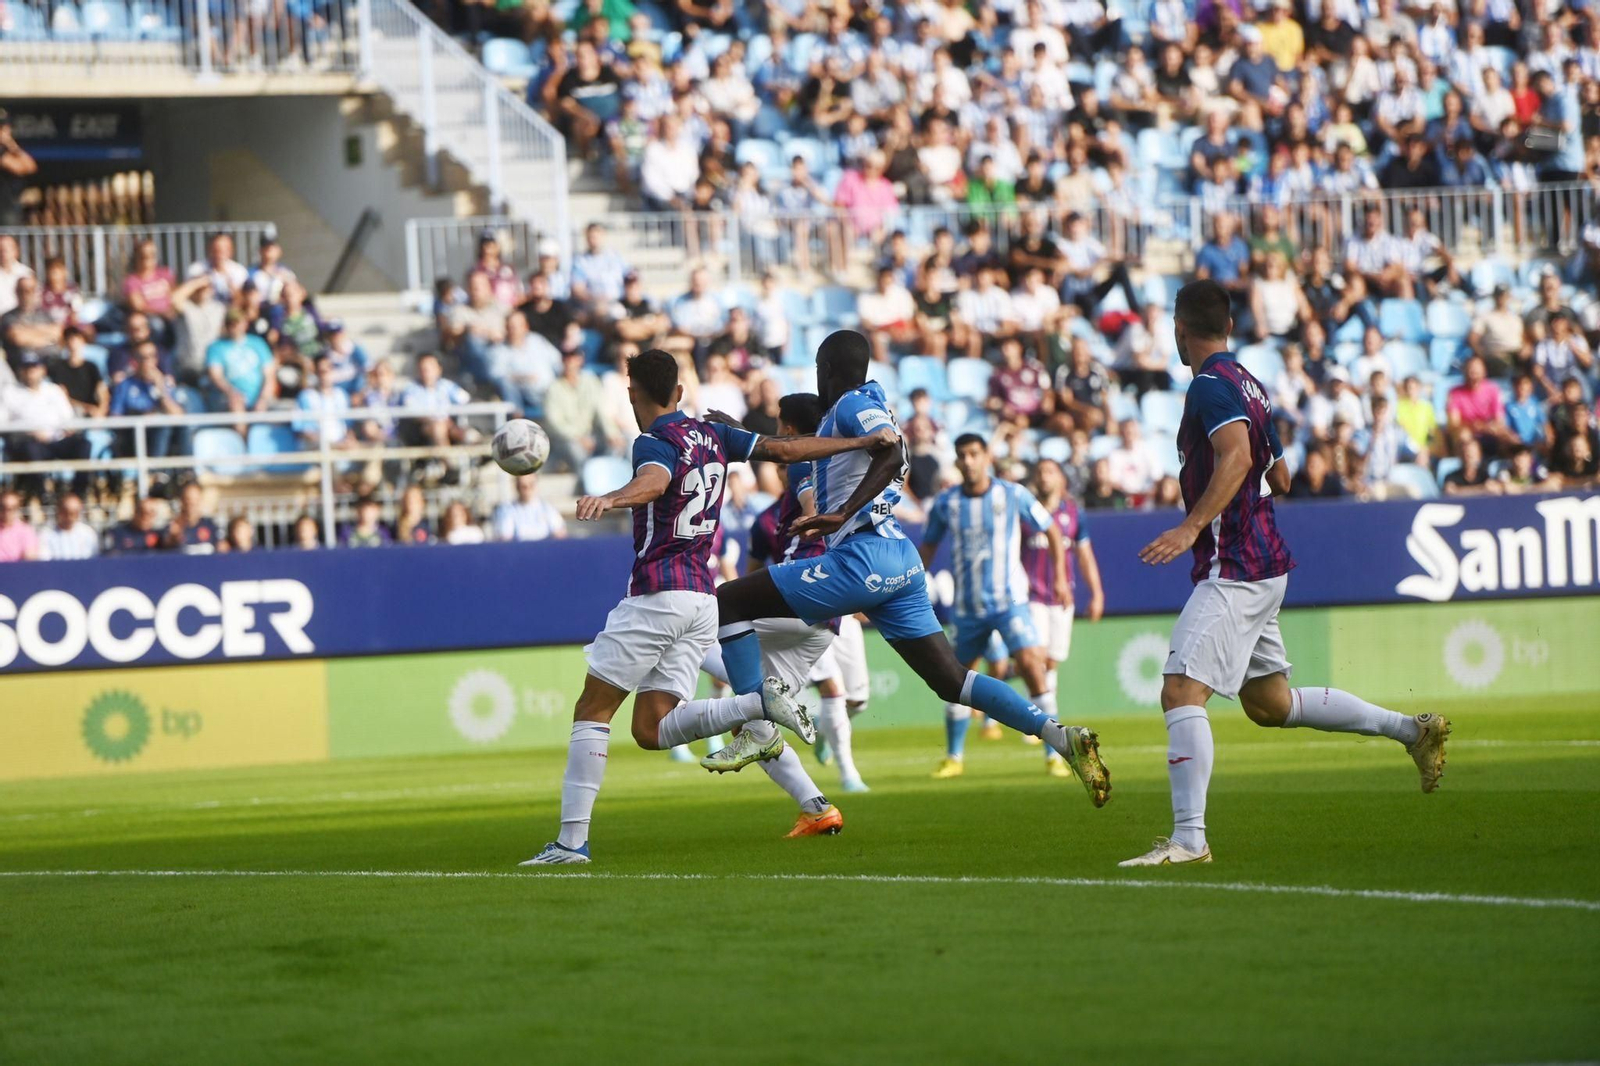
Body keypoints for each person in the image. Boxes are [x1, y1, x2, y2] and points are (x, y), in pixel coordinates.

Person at [708, 331, 1113, 813]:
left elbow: (893, 452)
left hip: (862, 555)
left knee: (729, 601)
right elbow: (800, 446)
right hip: (898, 560)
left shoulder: (853, 405)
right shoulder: (857, 409)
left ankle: (754, 725)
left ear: (827, 370)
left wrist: (843, 513)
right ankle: (1061, 736)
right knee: (952, 680)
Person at [1119, 280, 1451, 867]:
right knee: (1270, 704)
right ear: (1227, 326)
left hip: (1237, 566)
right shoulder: (1249, 383)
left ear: (1179, 329)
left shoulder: (1208, 387)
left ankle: (1189, 840)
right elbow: (1283, 475)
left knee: (1179, 690)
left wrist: (1192, 526)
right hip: (1267, 560)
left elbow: (1241, 457)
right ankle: (1411, 731)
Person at [521, 349, 894, 865]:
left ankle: (570, 843)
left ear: (634, 395)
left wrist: (611, 497)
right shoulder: (716, 433)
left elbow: (655, 480)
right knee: (651, 727)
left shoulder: (652, 442)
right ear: (678, 391)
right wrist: (860, 440)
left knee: (593, 711)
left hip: (657, 595)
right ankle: (756, 706)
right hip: (702, 599)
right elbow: (788, 451)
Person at [699, 392, 870, 805]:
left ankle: (837, 764)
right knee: (758, 718)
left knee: (692, 622)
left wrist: (812, 521)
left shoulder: (802, 469)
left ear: (789, 431)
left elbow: (801, 482)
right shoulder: (843, 467)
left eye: (779, 426)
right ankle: (817, 807)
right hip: (828, 617)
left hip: (801, 590)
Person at [922, 434, 1075, 779]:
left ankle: (1053, 754)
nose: (968, 461)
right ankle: (954, 757)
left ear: (987, 456)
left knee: (1034, 668)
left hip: (1010, 603)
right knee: (954, 680)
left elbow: (1050, 530)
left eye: (974, 454)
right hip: (968, 608)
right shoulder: (947, 503)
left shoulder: (1013, 494)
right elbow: (928, 547)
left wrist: (1061, 578)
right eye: (962, 455)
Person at [1024, 457, 1104, 728]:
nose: (1044, 477)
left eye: (1050, 471)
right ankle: (1043, 720)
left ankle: (1038, 710)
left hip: (1062, 597)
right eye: (1040, 472)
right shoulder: (1026, 511)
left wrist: (1096, 592)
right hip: (1031, 595)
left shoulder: (1073, 513)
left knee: (1051, 660)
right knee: (1038, 654)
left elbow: (1084, 555)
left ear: (1061, 478)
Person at [492, 473, 568, 541]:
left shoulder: (548, 509)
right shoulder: (508, 510)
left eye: (531, 485)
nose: (527, 490)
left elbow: (560, 535)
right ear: (517, 487)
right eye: (523, 486)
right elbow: (505, 538)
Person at [167, 481, 222, 554]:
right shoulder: (174, 527)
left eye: (195, 499)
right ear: (182, 501)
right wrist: (173, 539)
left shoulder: (211, 525)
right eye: (188, 499)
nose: (191, 503)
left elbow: (221, 549)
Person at [0, 490, 39, 562]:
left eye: (12, 508)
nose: (7, 512)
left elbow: (30, 559)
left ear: (17, 508)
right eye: (3, 507)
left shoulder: (26, 531)